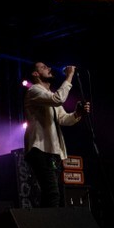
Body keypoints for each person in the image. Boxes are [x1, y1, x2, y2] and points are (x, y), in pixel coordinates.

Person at [23, 62, 90, 207]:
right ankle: (47, 222)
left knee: (51, 194)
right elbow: (58, 99)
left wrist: (78, 113)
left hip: (53, 151)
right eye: (43, 67)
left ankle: (43, 221)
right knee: (52, 193)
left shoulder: (49, 95)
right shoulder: (34, 90)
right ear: (35, 74)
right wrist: (69, 76)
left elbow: (63, 119)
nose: (49, 68)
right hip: (39, 150)